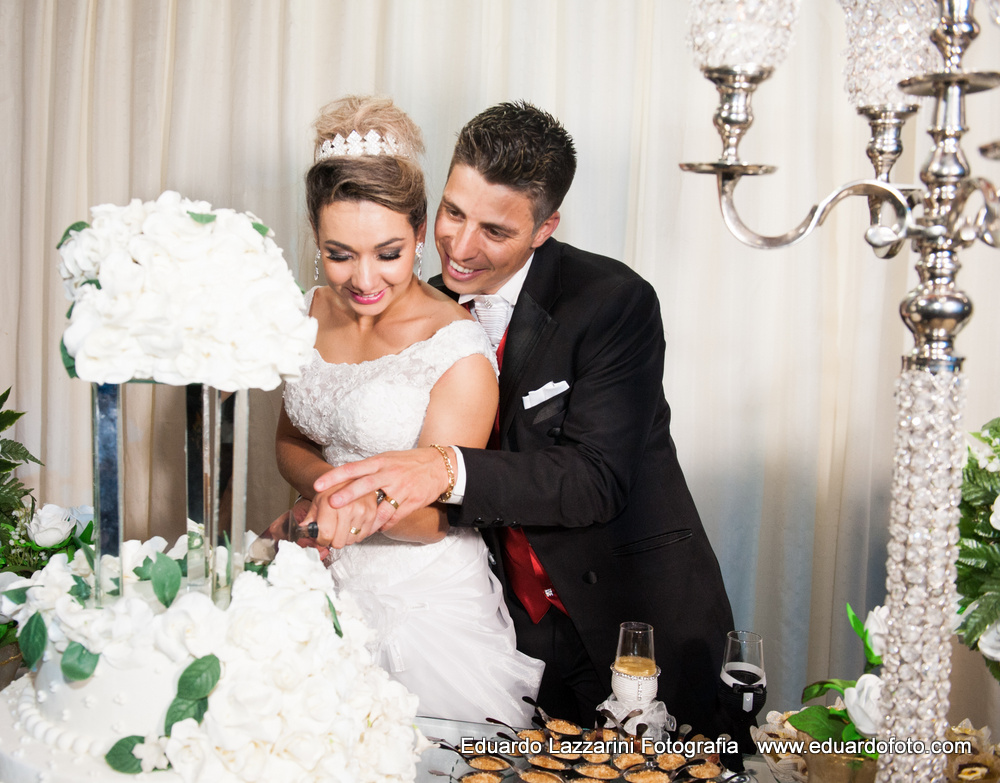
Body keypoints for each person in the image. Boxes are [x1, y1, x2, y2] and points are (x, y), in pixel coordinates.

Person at [307, 101, 736, 733]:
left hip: (630, 614)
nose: (459, 244)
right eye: (453, 212)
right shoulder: (419, 303)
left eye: (495, 231)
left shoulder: (614, 303)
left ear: (545, 227)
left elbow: (595, 479)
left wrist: (442, 469)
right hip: (507, 621)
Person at [274, 95, 543, 724]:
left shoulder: (457, 347)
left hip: (420, 600)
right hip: (317, 576)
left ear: (420, 232)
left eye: (388, 253)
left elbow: (431, 520)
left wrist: (318, 513)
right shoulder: (305, 314)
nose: (363, 279)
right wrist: (326, 493)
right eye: (339, 253)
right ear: (316, 237)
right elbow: (290, 439)